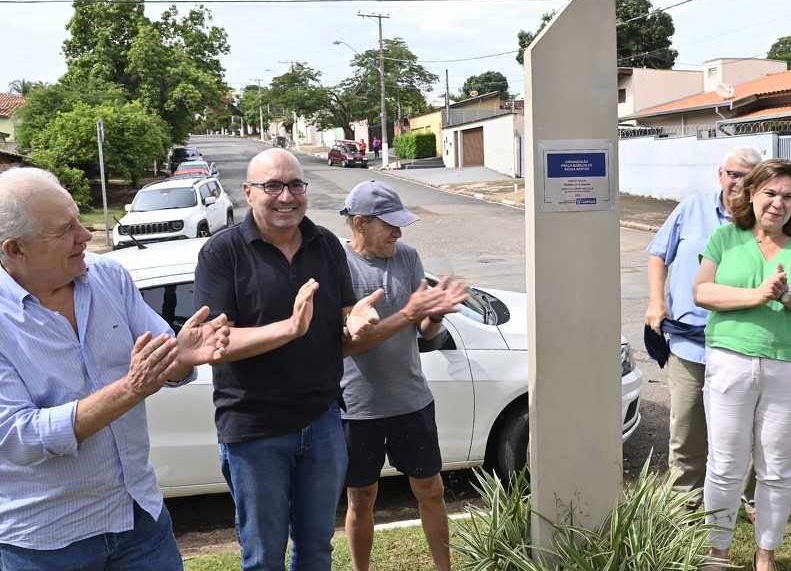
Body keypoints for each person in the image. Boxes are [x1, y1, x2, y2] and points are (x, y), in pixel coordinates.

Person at [0, 167, 230, 570]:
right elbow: (18, 437)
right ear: (15, 249)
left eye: (78, 218)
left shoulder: (108, 276)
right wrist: (131, 388)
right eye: (65, 228)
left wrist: (182, 359)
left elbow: (165, 363)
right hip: (44, 542)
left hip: (140, 518)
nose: (85, 234)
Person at [193, 149, 383, 571]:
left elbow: (341, 314)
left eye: (295, 185)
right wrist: (289, 328)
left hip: (323, 419)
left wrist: (356, 320)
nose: (286, 196)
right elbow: (213, 342)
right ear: (248, 192)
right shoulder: (223, 252)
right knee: (264, 557)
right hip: (254, 428)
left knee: (316, 550)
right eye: (273, 186)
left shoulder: (326, 244)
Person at [692, 158, 791, 571]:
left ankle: (765, 555)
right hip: (730, 361)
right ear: (751, 193)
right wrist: (758, 295)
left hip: (788, 368)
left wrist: (787, 295)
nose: (778, 203)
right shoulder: (725, 237)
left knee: (776, 469)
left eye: (789, 196)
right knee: (725, 465)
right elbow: (702, 292)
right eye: (770, 193)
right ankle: (717, 552)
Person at [339, 180, 470, 571]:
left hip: (411, 399)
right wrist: (411, 315)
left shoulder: (407, 257)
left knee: (431, 490)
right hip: (356, 406)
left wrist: (435, 316)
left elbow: (423, 330)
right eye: (389, 225)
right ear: (359, 223)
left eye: (400, 224)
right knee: (361, 497)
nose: (398, 232)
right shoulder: (337, 265)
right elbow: (343, 340)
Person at [646, 146, 762, 518]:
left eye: (746, 176)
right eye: (732, 174)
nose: (737, 183)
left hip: (742, 341)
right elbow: (658, 255)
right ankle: (684, 503)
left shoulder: (764, 219)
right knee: (686, 431)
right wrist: (655, 301)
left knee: (746, 429)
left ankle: (750, 498)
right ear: (720, 174)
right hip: (689, 342)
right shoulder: (691, 208)